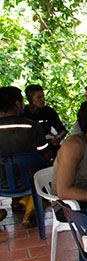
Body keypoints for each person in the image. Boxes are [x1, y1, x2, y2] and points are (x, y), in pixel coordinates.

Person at [0, 86, 51, 224]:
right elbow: (46, 155)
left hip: (1, 184)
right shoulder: (32, 127)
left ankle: (20, 202)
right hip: (28, 182)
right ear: (17, 104)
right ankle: (30, 203)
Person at [22, 84, 67, 156]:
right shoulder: (23, 113)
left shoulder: (49, 112)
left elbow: (62, 130)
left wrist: (58, 137)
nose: (43, 99)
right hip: (30, 150)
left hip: (49, 148)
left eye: (43, 96)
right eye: (39, 97)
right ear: (29, 99)